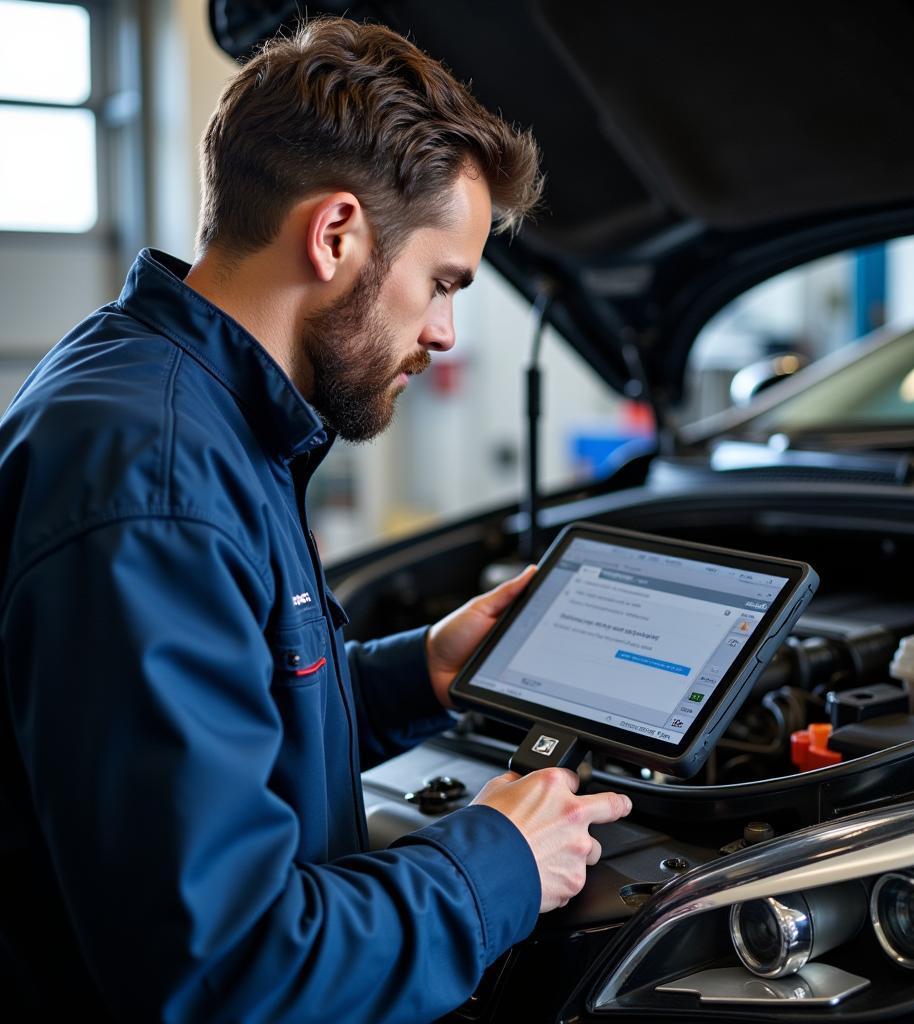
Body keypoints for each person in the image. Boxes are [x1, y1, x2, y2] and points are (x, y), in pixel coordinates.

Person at [0, 15, 631, 1023]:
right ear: (336, 233)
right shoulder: (158, 487)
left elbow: (222, 719)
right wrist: (496, 858)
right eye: (440, 282)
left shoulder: (176, 396)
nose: (442, 331)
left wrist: (416, 669)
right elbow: (229, 968)